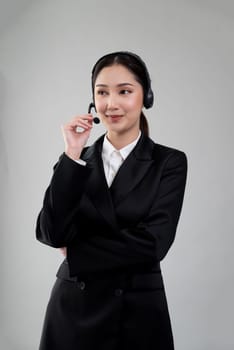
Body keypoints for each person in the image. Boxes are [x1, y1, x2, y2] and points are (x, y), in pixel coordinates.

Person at [36, 51, 187, 350]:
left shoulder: (167, 162)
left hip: (136, 311)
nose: (111, 104)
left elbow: (154, 243)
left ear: (146, 96)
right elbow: (51, 233)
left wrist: (77, 253)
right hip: (73, 310)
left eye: (124, 92)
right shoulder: (77, 161)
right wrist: (72, 154)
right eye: (102, 92)